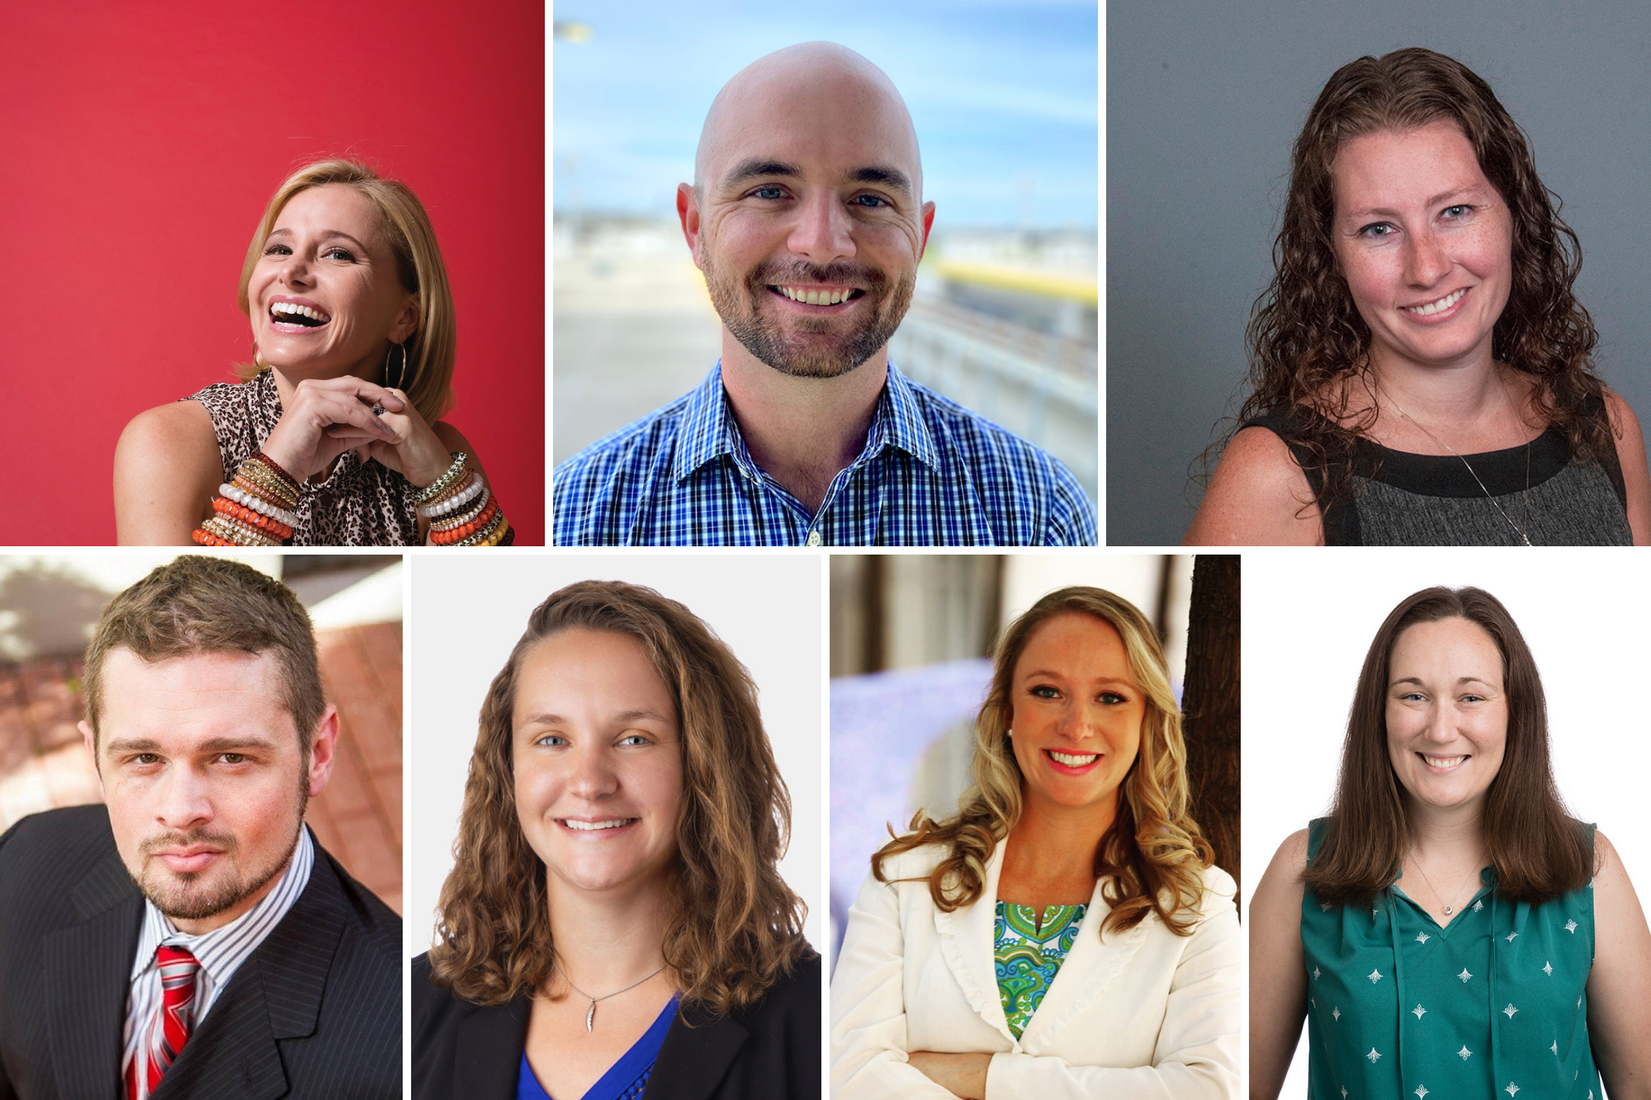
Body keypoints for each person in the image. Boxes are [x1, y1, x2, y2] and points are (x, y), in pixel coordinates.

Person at [552, 42, 1096, 547]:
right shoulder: (575, 517)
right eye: (769, 192)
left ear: (921, 236)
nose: (821, 245)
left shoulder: (1039, 514)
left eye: (871, 199)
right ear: (694, 226)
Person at [1187, 47, 1651, 546]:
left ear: (1515, 212)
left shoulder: (1604, 425)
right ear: (1331, 255)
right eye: (1379, 228)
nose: (1427, 268)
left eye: (1455, 211)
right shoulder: (1275, 474)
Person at [0, 556, 400, 1099]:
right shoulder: (23, 866)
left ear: (318, 752)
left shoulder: (403, 1041)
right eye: (143, 758)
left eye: (230, 757)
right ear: (94, 755)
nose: (181, 810)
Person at [413, 580, 819, 1099]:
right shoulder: (415, 1004)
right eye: (552, 740)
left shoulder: (811, 1015)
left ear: (704, 764)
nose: (589, 781)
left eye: (634, 739)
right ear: (507, 766)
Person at [831, 587, 1240, 1097]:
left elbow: (1210, 1089)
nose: (1077, 726)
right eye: (1047, 691)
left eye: (1110, 698)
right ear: (1006, 710)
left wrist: (985, 1077)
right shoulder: (903, 880)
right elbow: (847, 1077)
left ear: (1147, 720)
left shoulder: (1198, 905)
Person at [1249, 586, 1651, 1097]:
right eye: (1414, 696)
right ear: (1379, 711)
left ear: (1515, 712)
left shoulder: (1590, 870)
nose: (1441, 730)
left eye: (1471, 697)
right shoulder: (1300, 870)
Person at [114, 158, 510, 547]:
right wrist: (276, 470)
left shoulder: (444, 456)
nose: (290, 271)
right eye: (279, 248)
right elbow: (189, 606)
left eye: (338, 254)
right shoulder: (167, 443)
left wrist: (446, 491)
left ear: (405, 316)